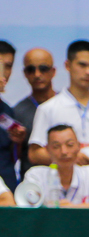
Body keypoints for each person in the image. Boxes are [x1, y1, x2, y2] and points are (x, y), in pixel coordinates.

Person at [28, 40, 89, 173]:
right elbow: (35, 153)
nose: (88, 72)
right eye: (82, 65)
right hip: (60, 189)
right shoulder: (49, 108)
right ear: (68, 65)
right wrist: (68, 157)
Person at [26, 124, 89, 207]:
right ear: (47, 149)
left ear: (79, 146)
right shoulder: (35, 175)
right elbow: (27, 206)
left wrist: (72, 208)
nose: (64, 152)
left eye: (70, 145)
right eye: (56, 146)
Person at [11, 47, 58, 178]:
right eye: (31, 69)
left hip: (69, 183)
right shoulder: (17, 112)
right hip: (32, 187)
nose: (37, 74)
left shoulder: (67, 105)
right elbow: (11, 159)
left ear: (53, 71)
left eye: (43, 68)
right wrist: (17, 143)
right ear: (25, 73)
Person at [0, 41, 17, 191]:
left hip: (8, 193)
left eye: (9, 66)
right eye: (0, 65)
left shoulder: (8, 111)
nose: (4, 71)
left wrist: (18, 141)